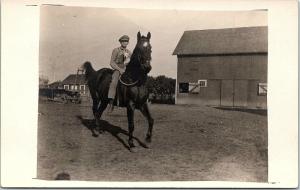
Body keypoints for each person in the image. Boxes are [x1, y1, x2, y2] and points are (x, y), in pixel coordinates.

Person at [107, 35, 132, 112]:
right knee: (114, 82)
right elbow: (111, 62)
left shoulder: (129, 52)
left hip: (126, 70)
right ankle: (111, 103)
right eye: (123, 41)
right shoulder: (116, 50)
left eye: (126, 41)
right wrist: (119, 69)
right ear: (121, 42)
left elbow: (130, 63)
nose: (125, 43)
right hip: (118, 69)